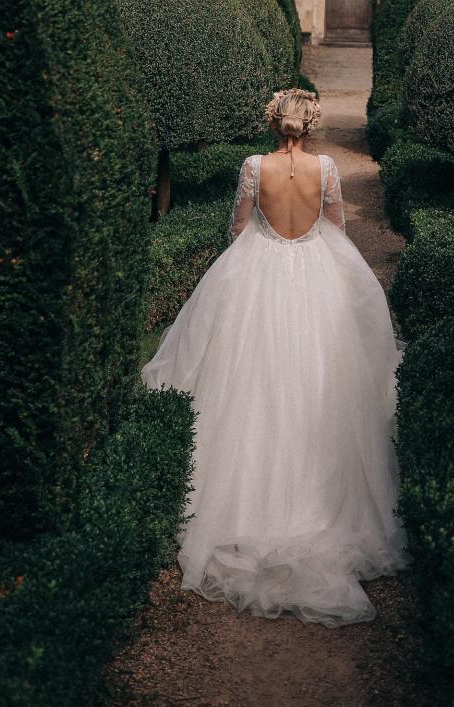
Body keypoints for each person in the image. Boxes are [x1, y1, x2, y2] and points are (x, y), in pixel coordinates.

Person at [142, 86, 408, 627]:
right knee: (317, 382)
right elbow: (334, 230)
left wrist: (262, 241)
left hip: (257, 273)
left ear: (274, 124)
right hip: (314, 274)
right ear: (309, 125)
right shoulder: (329, 168)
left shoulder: (253, 165)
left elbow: (239, 226)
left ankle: (240, 509)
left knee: (246, 387)